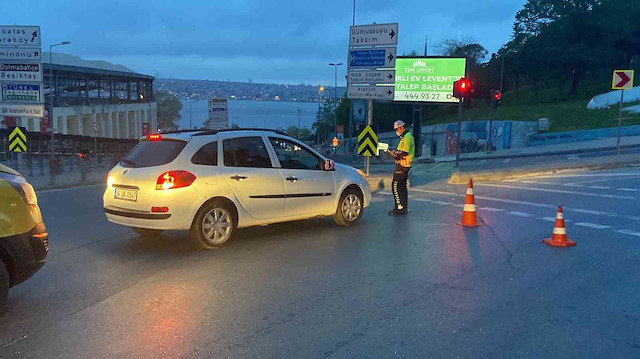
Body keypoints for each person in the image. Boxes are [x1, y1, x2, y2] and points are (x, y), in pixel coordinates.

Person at [387, 120, 414, 215]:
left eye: (396, 129)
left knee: (395, 185)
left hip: (403, 165)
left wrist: (393, 153)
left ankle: (399, 207)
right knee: (402, 186)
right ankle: (404, 207)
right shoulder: (405, 137)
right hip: (404, 165)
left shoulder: (406, 138)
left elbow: (404, 152)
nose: (396, 131)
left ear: (401, 127)